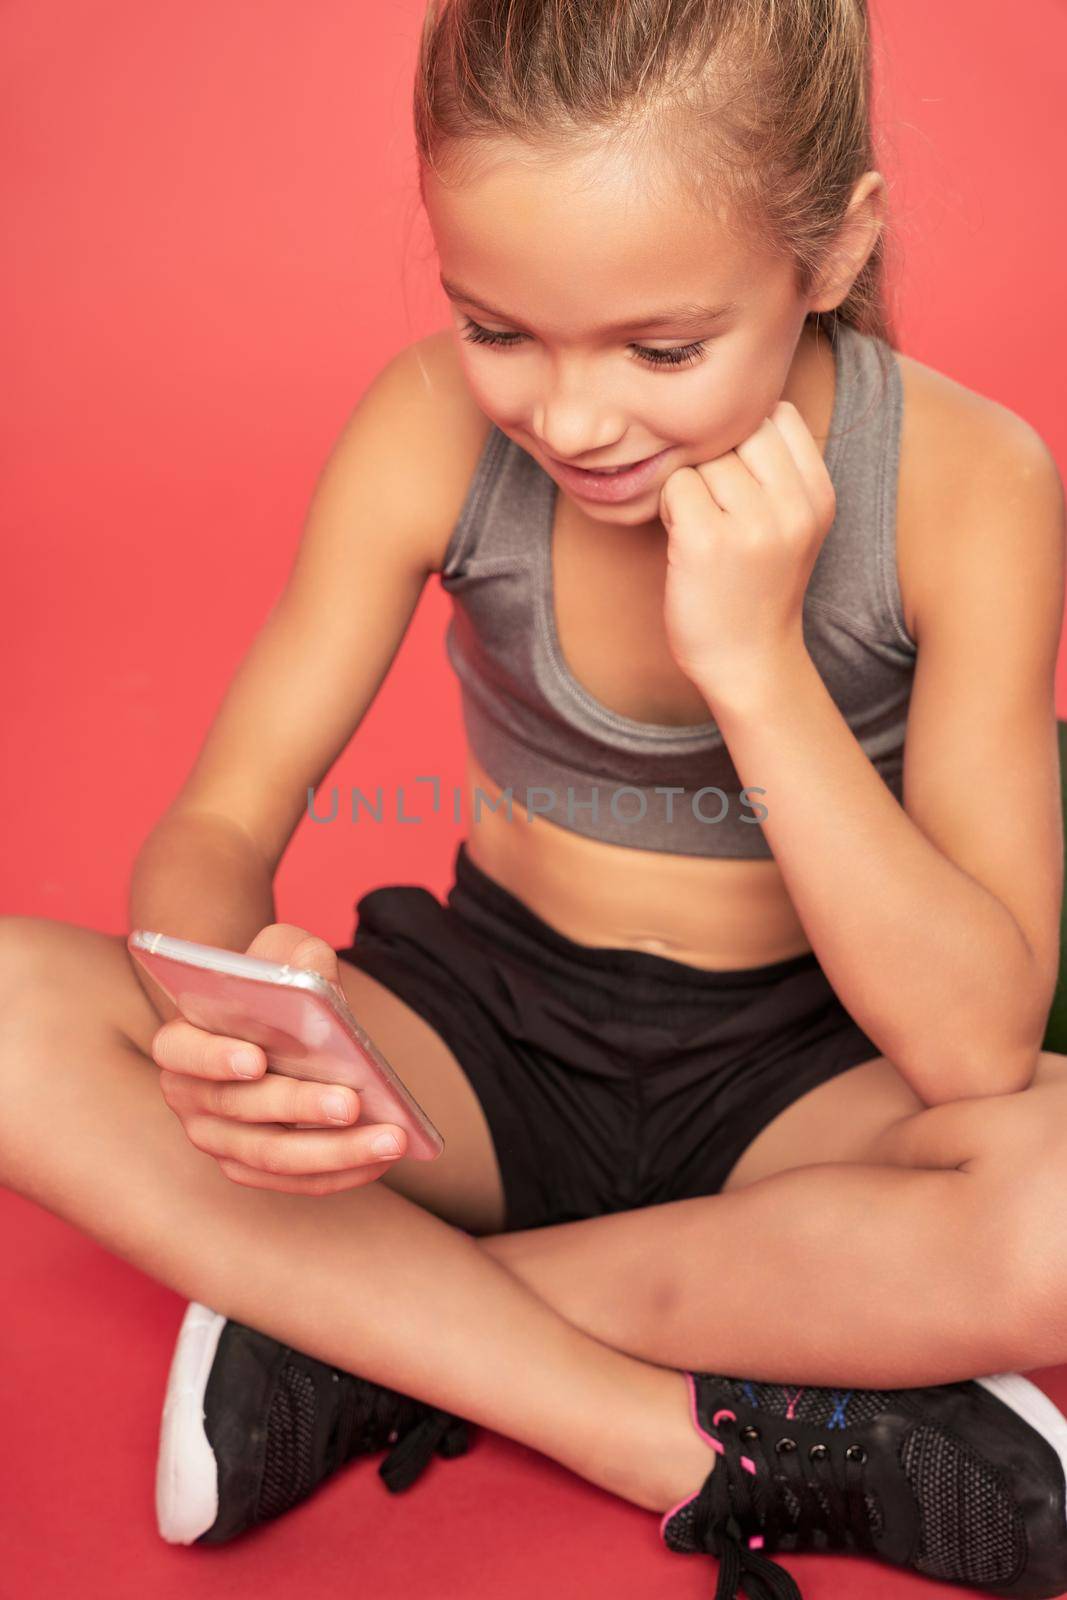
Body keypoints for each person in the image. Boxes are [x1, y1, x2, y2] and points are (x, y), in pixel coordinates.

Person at [4, 0, 1067, 1593]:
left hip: (806, 1097)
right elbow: (220, 825)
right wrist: (218, 1020)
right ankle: (662, 1435)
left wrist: (757, 664)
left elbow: (978, 1047)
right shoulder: (425, 425)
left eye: (661, 349)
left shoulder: (972, 485)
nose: (570, 418)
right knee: (9, 1006)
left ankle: (366, 1324)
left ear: (832, 252)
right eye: (500, 329)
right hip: (475, 1048)